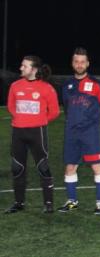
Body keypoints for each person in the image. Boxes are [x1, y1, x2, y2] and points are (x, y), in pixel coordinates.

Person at [59, 47, 100, 214]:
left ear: (87, 63)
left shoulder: (97, 84)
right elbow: (66, 107)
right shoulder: (66, 85)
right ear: (72, 63)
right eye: (76, 61)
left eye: (82, 62)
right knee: (70, 167)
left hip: (90, 134)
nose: (79, 64)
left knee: (97, 167)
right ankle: (72, 201)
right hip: (72, 133)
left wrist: (98, 122)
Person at [5, 55, 59, 214]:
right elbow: (10, 106)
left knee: (43, 167)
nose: (21, 68)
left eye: (25, 66)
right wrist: (20, 118)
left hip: (37, 133)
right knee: (17, 168)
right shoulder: (15, 86)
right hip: (18, 132)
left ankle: (48, 204)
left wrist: (39, 120)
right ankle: (18, 203)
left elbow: (54, 112)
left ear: (34, 69)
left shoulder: (46, 88)